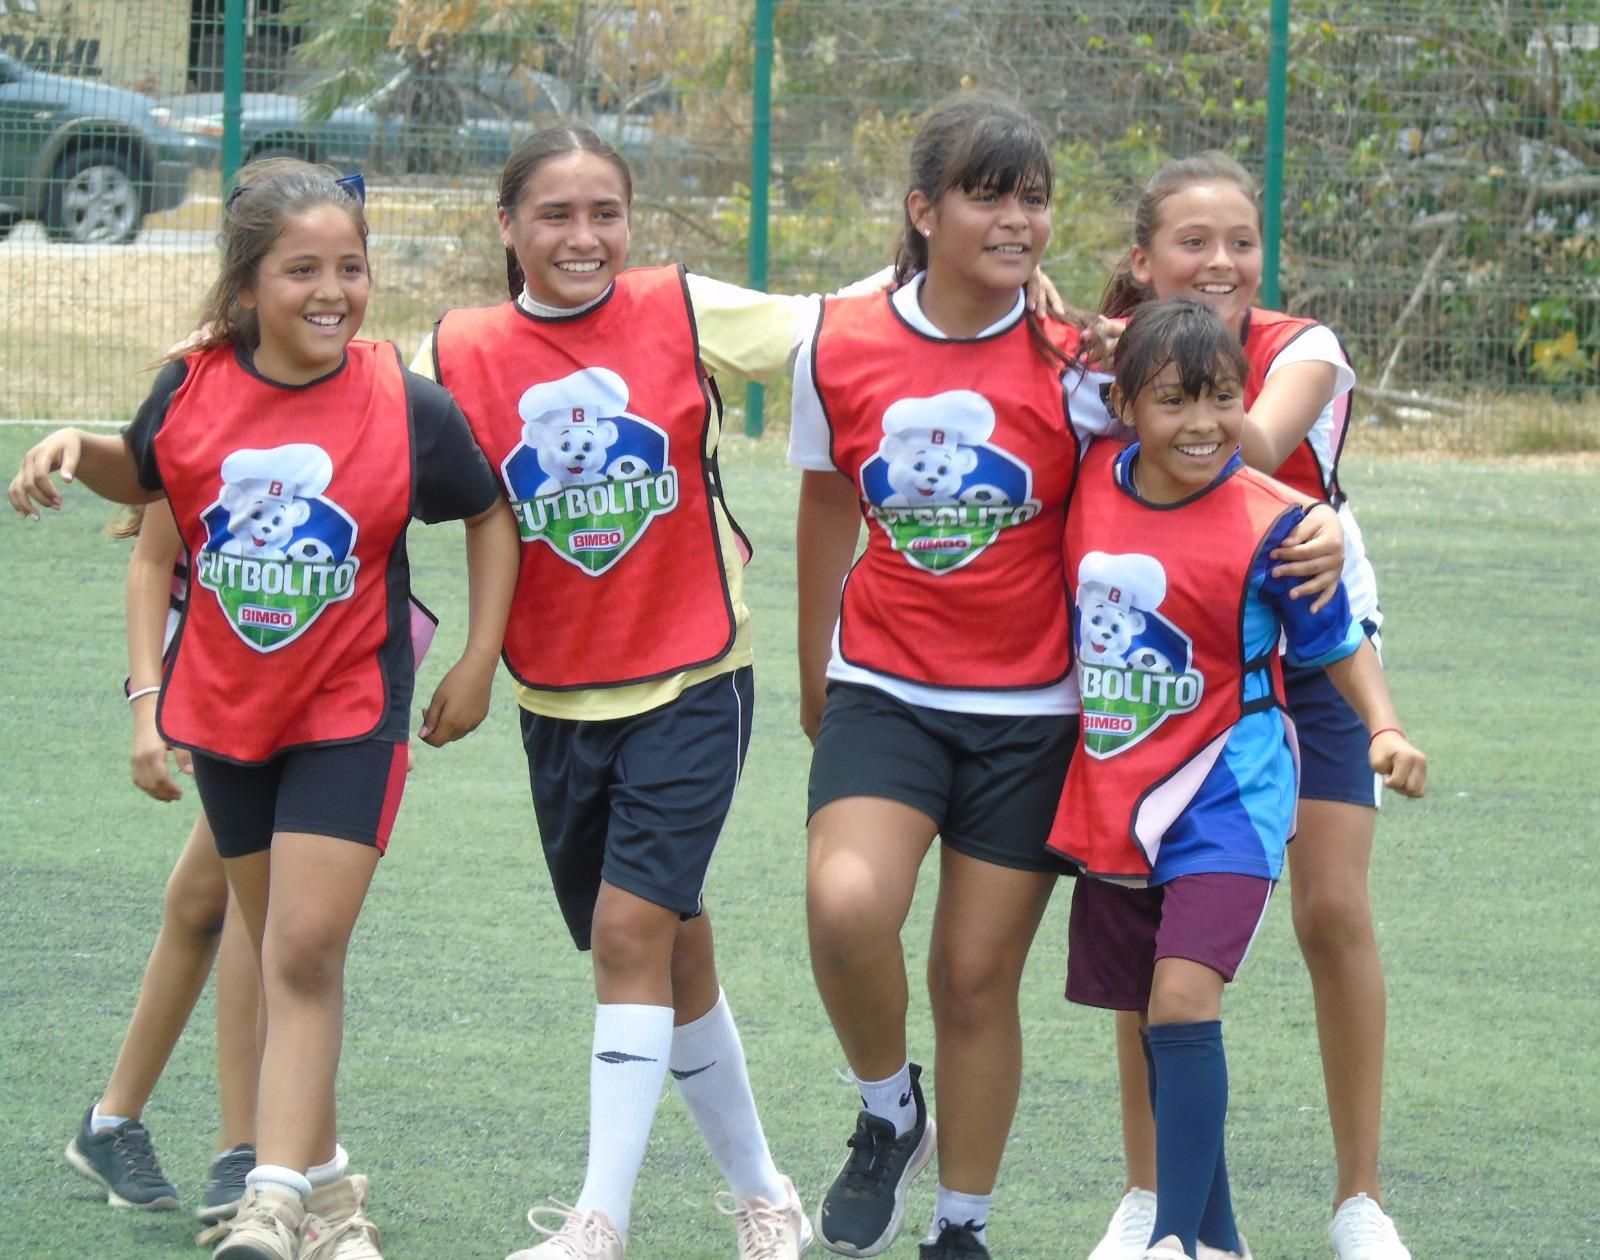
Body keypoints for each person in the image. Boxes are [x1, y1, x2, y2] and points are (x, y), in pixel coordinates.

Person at [788, 96, 1341, 1260]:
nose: (1014, 219)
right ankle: (888, 1110)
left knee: (975, 975)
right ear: (922, 210)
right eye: (986, 194)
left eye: (1032, 198)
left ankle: (961, 1228)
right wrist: (810, 665)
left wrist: (1322, 526)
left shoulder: (1081, 359)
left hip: (1037, 712)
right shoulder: (835, 341)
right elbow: (828, 497)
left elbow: (1196, 464)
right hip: (884, 684)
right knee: (845, 909)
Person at [10, 157, 520, 1260]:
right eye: (302, 270)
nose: (332, 290)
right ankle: (330, 1199)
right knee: (268, 945)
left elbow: (488, 510)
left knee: (300, 945)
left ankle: (273, 1198)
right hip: (230, 723)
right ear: (246, 288)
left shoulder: (407, 404)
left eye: (351, 267)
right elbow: (142, 474)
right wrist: (73, 444)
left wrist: (479, 656)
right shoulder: (190, 389)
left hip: (351, 715)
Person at [420, 125, 839, 1260]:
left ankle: (597, 1221)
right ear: (506, 227)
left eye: (604, 211)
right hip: (557, 698)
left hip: (697, 676)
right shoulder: (457, 351)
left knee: (624, 934)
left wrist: (1007, 298)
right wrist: (169, 466)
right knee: (668, 951)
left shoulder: (685, 307)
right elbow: (354, 438)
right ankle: (764, 1194)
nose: (583, 236)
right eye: (554, 215)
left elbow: (853, 331)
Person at [1047, 297, 1427, 1260]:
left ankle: (1173, 1237)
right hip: (1119, 799)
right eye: (1175, 401)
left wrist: (1384, 729)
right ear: (1124, 406)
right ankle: (1215, 1236)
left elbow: (1338, 642)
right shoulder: (1090, 480)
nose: (1204, 423)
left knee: (1180, 996)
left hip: (1229, 795)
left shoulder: (1280, 520)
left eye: (1222, 398)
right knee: (1151, 1009)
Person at [65, 502, 259, 1225]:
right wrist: (155, 701)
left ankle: (112, 1123)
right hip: (230, 668)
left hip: (301, 667)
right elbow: (156, 551)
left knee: (209, 894)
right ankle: (244, 1155)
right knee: (252, 892)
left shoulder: (370, 390)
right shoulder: (198, 396)